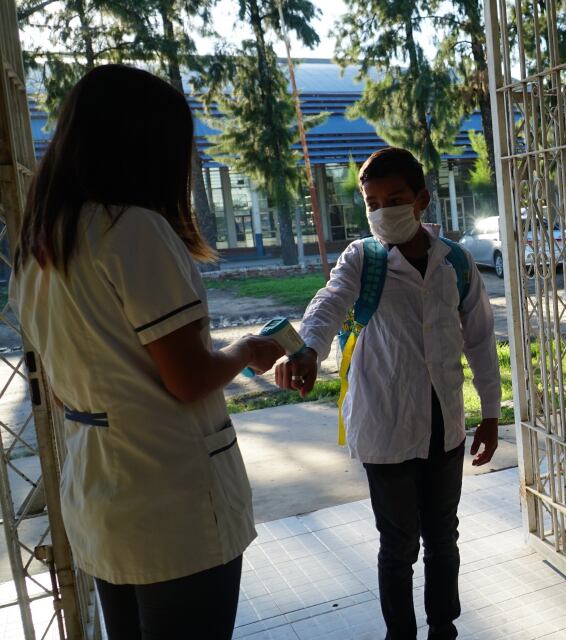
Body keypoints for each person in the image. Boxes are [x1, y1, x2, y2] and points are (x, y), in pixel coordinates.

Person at [10, 65, 285, 639]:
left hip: (99, 492)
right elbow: (187, 379)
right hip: (170, 498)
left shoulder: (40, 246)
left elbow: (60, 387)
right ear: (145, 148)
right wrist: (248, 349)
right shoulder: (134, 231)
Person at [277, 147, 501, 640]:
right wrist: (309, 348)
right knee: (398, 545)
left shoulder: (456, 264)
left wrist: (490, 413)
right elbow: (329, 301)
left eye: (394, 199)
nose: (382, 212)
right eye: (372, 202)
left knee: (443, 537)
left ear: (421, 199)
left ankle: (444, 627)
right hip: (385, 425)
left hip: (445, 426)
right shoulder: (364, 258)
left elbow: (481, 340)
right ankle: (400, 634)